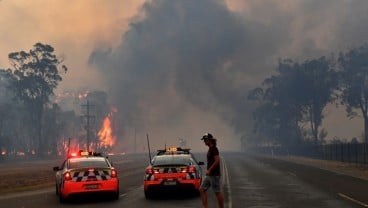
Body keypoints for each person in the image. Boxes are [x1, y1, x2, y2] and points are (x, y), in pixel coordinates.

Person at [199, 133, 224, 208]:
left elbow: (217, 161)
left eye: (205, 140)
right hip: (210, 175)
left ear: (209, 140)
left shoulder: (214, 149)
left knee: (217, 192)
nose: (204, 142)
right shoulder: (210, 148)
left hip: (214, 175)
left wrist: (209, 170)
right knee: (201, 189)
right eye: (204, 140)